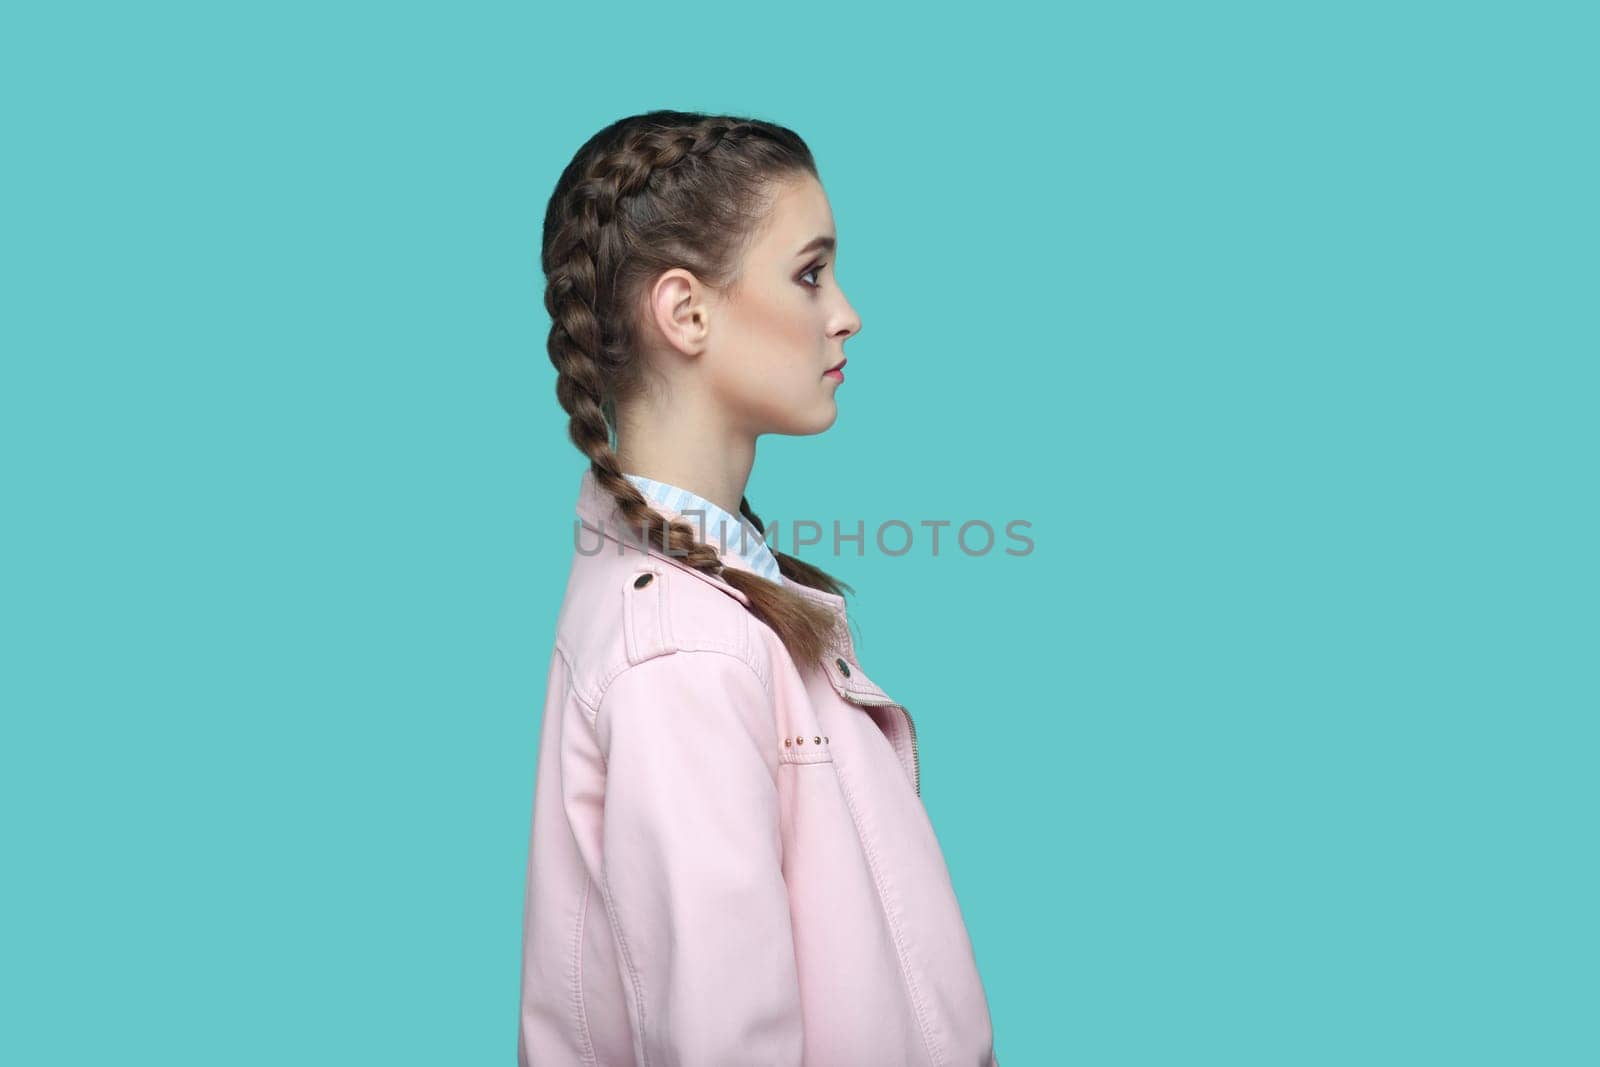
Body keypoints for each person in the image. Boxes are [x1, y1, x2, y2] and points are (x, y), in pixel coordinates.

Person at [518, 109, 999, 1066]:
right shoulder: (684, 650)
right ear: (686, 312)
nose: (846, 311)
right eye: (810, 271)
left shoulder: (715, 605)